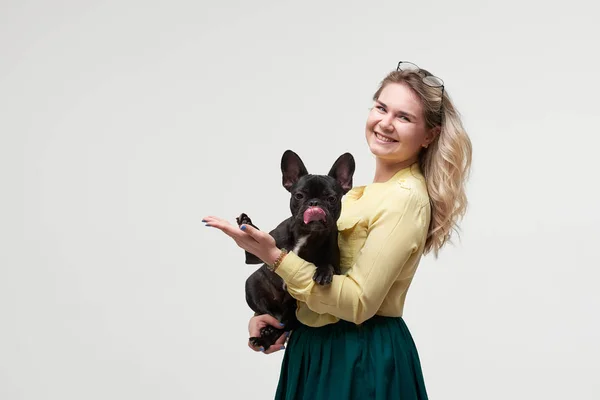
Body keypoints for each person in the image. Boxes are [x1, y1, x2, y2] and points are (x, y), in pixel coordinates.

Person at [203, 61, 472, 399]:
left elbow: (359, 302)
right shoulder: (356, 195)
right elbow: (318, 279)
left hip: (359, 357)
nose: (385, 123)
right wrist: (279, 318)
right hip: (316, 350)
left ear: (429, 135)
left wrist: (272, 255)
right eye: (381, 108)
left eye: (403, 117)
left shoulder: (404, 198)